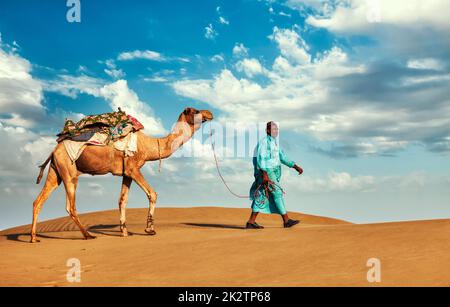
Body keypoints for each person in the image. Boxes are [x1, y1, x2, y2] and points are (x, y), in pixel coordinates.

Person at [247, 121, 304, 229]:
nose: (276, 131)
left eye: (277, 129)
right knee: (277, 193)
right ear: (267, 130)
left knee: (261, 195)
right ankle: (286, 220)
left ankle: (251, 221)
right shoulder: (264, 143)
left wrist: (295, 166)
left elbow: (282, 157)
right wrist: (264, 174)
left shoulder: (274, 143)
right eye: (273, 129)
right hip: (267, 172)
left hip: (272, 172)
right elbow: (261, 159)